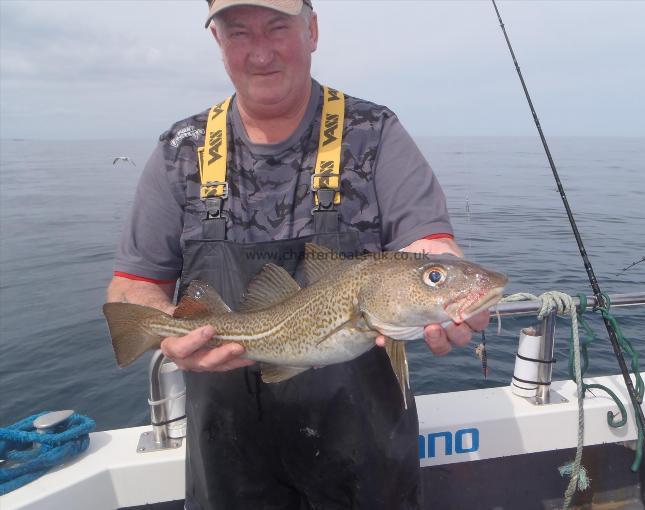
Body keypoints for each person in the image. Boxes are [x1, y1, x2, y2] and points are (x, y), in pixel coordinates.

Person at [107, 1, 490, 508]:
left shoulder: (374, 134)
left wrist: (446, 275)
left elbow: (428, 244)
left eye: (278, 27)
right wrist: (166, 332)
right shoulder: (182, 149)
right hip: (230, 455)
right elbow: (132, 287)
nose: (261, 52)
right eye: (239, 32)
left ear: (312, 30)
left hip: (364, 460)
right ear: (218, 44)